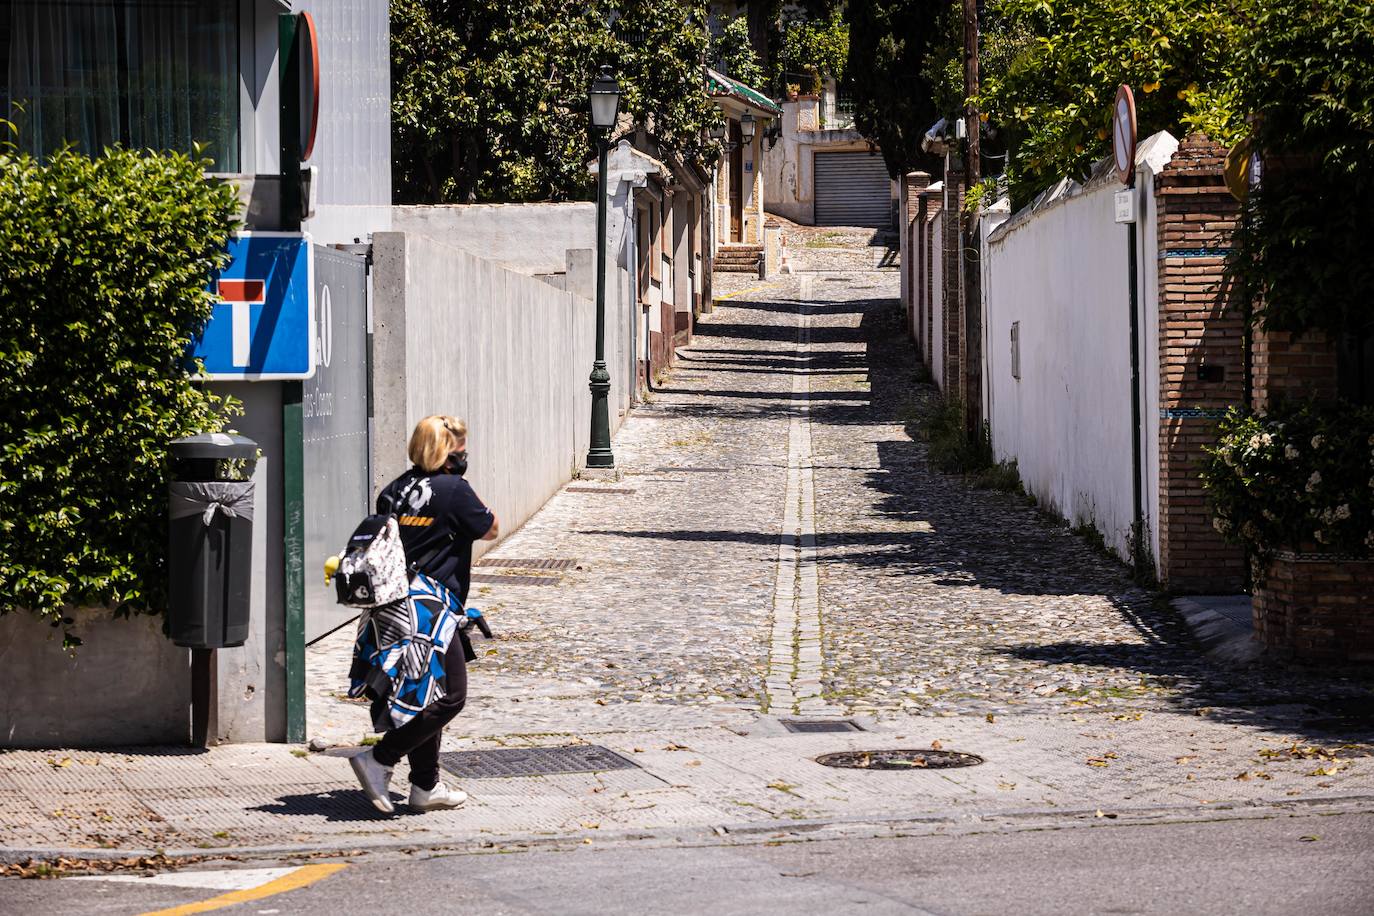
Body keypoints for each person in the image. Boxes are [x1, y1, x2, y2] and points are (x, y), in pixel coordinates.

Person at [349, 415, 499, 814]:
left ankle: (425, 787)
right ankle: (379, 758)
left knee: (419, 696)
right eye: (461, 448)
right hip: (430, 608)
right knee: (451, 696)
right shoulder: (455, 490)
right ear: (447, 452)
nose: (466, 455)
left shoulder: (393, 490)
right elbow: (490, 529)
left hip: (390, 605)